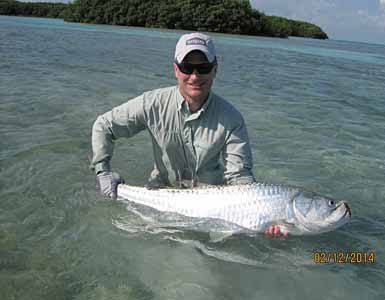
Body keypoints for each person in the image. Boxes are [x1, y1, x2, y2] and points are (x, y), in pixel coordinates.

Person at [90, 32, 285, 237]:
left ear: (215, 69)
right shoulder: (152, 103)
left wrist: (261, 217)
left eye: (203, 68)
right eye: (186, 67)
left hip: (212, 210)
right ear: (176, 69)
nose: (194, 76)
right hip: (158, 197)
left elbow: (240, 178)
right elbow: (104, 125)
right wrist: (102, 172)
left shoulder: (232, 119)